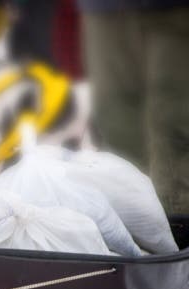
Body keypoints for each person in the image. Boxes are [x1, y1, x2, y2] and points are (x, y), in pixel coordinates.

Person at [80, 0, 189, 215]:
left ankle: (178, 227)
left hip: (176, 10)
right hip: (105, 11)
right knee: (116, 126)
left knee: (176, 127)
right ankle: (137, 223)